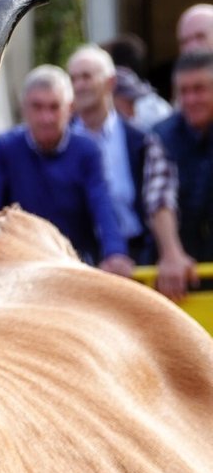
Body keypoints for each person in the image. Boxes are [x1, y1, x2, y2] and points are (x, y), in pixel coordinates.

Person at [0, 65, 132, 275]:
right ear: (24, 107)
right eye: (37, 107)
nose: (46, 117)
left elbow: (103, 206)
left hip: (75, 265)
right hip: (16, 268)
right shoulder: (4, 148)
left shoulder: (87, 150)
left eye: (54, 107)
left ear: (70, 108)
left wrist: (115, 253)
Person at [66, 45, 192, 296]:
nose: (79, 85)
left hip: (137, 261)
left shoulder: (142, 140)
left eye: (87, 76)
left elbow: (159, 199)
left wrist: (169, 253)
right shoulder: (59, 142)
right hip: (77, 261)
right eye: (73, 78)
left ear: (110, 82)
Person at [153, 51, 213, 273]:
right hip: (179, 275)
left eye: (199, 89)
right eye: (183, 91)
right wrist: (171, 254)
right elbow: (160, 197)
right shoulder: (161, 136)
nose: (190, 100)